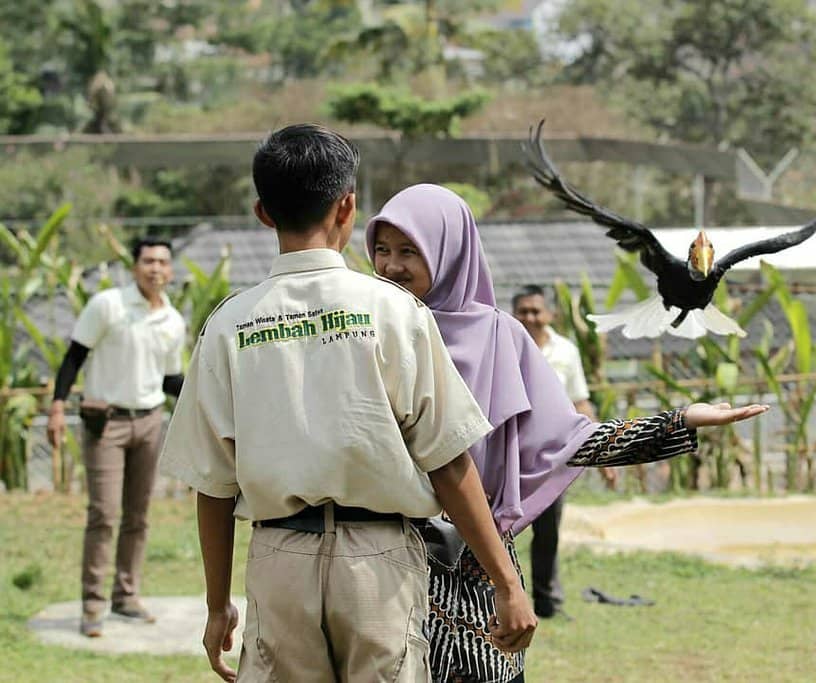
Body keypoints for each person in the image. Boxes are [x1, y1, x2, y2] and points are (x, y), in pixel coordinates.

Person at [159, 124, 536, 683]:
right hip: (379, 563)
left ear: (263, 213)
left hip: (279, 559)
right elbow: (450, 459)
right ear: (348, 207)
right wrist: (505, 583)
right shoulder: (394, 311)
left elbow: (212, 485)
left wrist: (219, 606)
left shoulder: (229, 325)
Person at [367, 183, 770, 682]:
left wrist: (677, 421)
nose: (390, 266)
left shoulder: (500, 338)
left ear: (451, 252)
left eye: (410, 251)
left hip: (478, 569)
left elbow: (571, 439)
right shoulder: (364, 334)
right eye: (381, 250)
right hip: (379, 563)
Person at [46, 237, 186, 638]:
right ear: (134, 267)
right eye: (148, 261)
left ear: (171, 270)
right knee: (104, 514)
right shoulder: (108, 305)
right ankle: (92, 605)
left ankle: (126, 597)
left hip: (149, 422)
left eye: (162, 262)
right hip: (105, 423)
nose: (155, 268)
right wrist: (57, 407)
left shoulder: (172, 321)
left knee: (138, 517)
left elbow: (169, 378)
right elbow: (75, 356)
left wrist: (209, 391)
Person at [511, 284, 602, 620]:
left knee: (547, 532)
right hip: (507, 456)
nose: (530, 318)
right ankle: (499, 600)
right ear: (513, 314)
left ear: (549, 314)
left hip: (550, 459)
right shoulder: (504, 347)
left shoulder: (566, 351)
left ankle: (547, 603)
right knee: (497, 529)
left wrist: (599, 448)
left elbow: (580, 401)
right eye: (523, 311)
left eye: (536, 311)